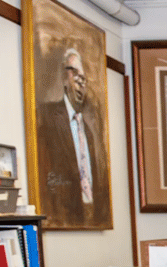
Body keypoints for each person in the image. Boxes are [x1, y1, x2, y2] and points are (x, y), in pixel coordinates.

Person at [37, 47, 109, 229]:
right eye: (74, 73)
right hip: (61, 214)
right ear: (63, 77)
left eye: (83, 77)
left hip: (89, 216)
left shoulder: (88, 132)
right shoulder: (47, 116)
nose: (80, 81)